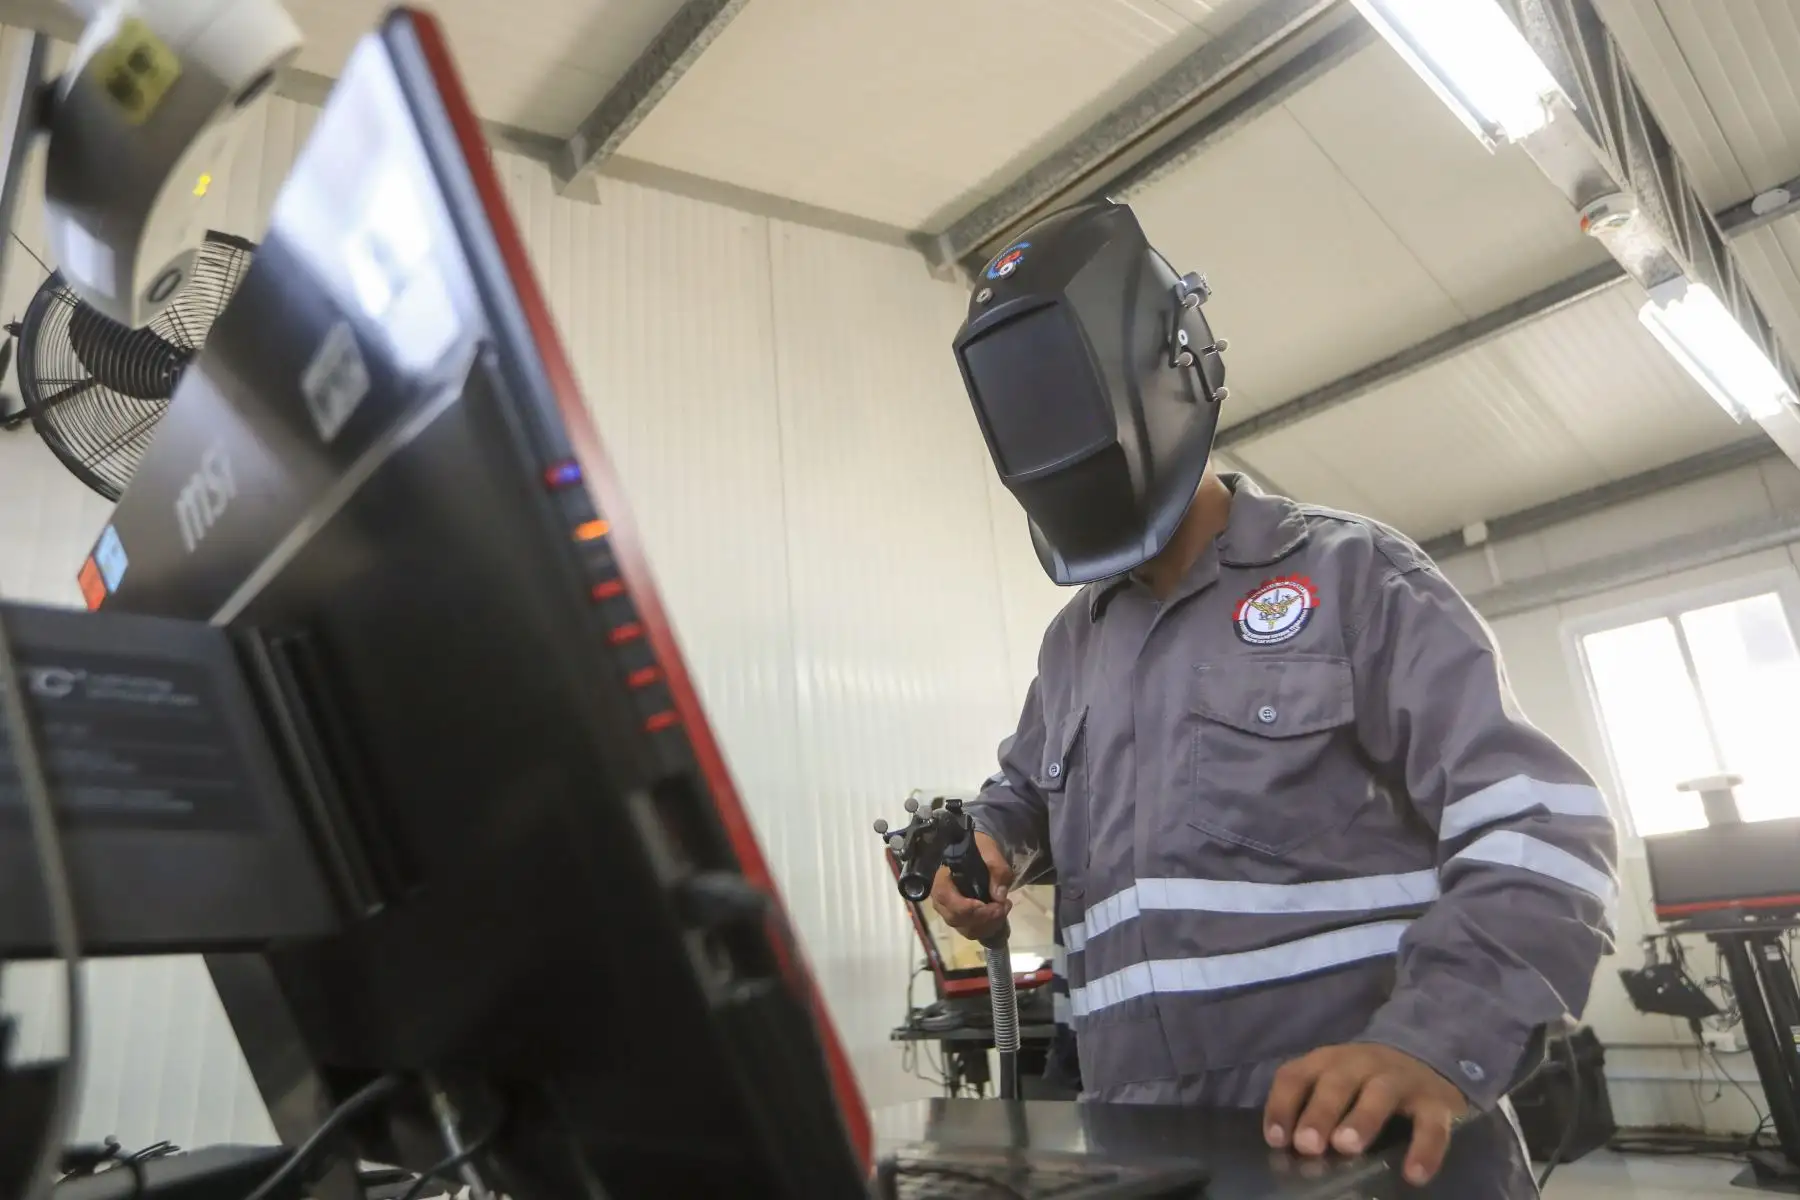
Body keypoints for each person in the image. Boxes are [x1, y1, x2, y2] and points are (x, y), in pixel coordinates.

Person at [934, 200, 1618, 1198]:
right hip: (1142, 1147)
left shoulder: (1354, 576)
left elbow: (1538, 823)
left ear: (1175, 369)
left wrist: (1436, 1043)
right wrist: (988, 844)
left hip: (1365, 1148)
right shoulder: (1075, 643)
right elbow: (1026, 792)